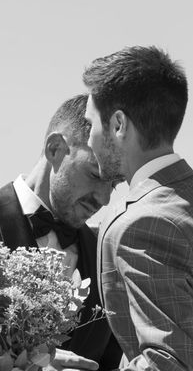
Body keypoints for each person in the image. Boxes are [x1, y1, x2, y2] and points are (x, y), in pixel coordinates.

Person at [83, 46, 193, 371]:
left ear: (118, 124)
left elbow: (166, 364)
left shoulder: (143, 224)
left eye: (90, 126)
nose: (88, 140)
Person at [0, 94, 123, 370]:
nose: (104, 199)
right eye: (95, 175)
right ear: (54, 149)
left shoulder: (109, 263)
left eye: (114, 184)